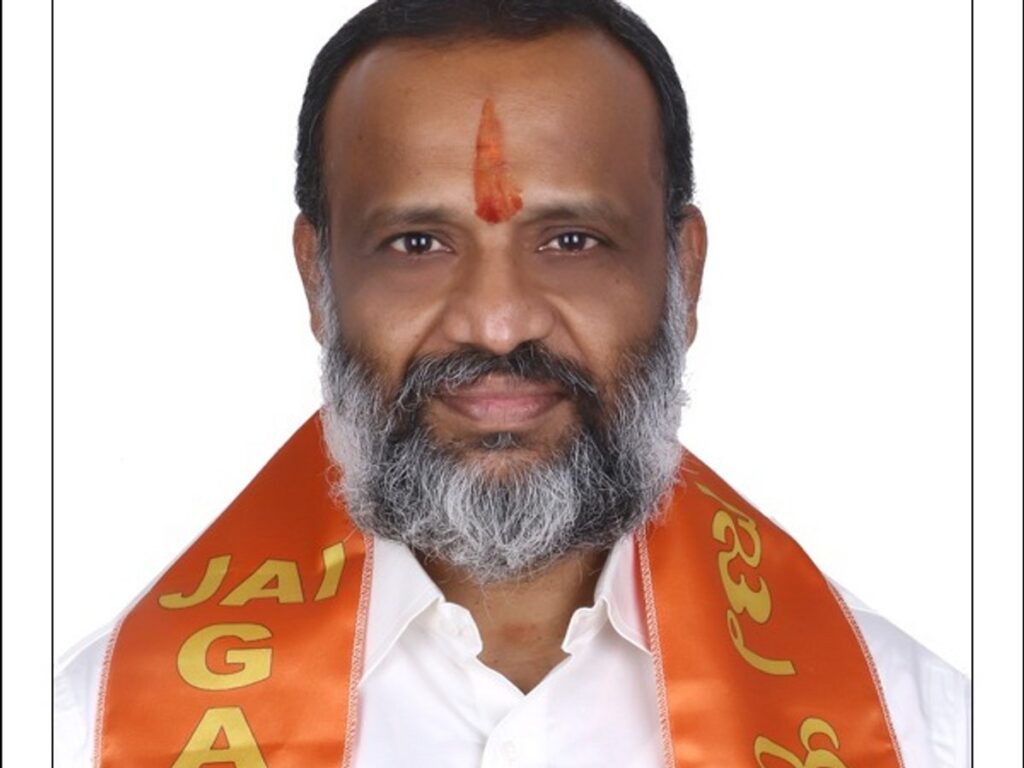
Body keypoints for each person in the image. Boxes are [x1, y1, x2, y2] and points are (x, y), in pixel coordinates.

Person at [54, 1, 970, 766]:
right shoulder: (81, 732)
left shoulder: (921, 728)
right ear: (316, 281)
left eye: (571, 241)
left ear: (683, 276)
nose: (497, 323)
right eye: (417, 244)